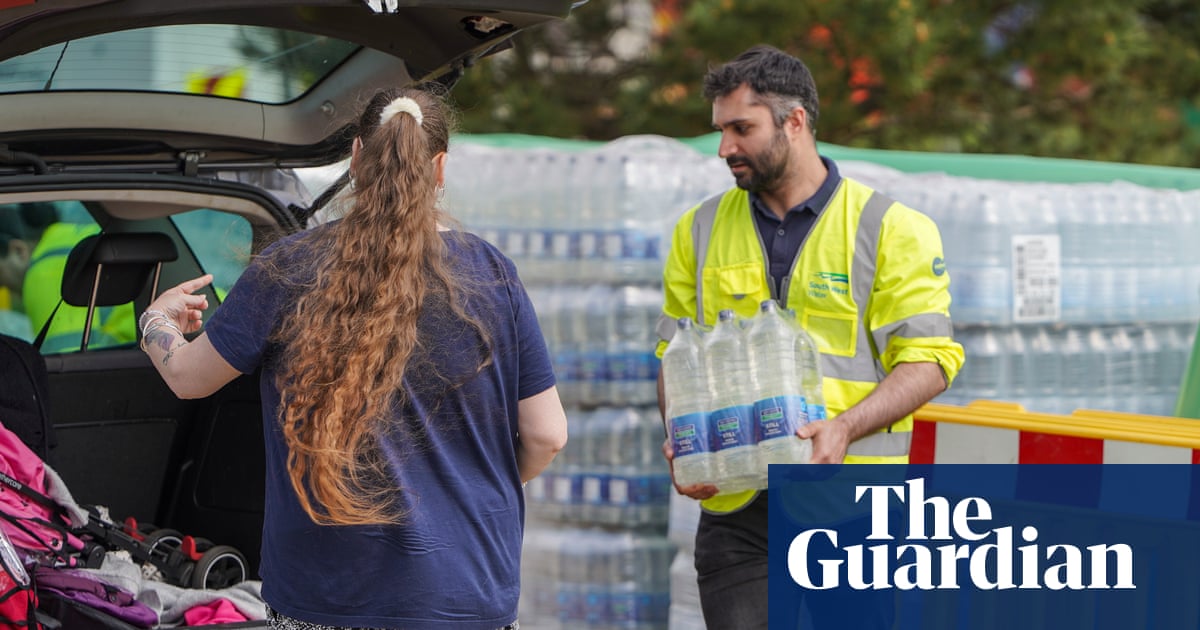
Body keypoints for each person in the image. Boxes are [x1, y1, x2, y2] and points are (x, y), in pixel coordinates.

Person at [137, 86, 568, 630]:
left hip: (327, 598)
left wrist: (156, 320)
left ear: (358, 156)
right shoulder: (493, 274)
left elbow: (185, 377)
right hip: (468, 596)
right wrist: (470, 489)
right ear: (439, 167)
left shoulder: (289, 268)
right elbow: (548, 435)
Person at [655, 45, 965, 629]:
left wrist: (843, 428)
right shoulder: (697, 230)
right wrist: (679, 438)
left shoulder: (890, 229)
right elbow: (674, 356)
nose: (725, 148)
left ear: (794, 121)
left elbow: (930, 361)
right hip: (738, 505)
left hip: (854, 510)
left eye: (741, 129)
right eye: (722, 131)